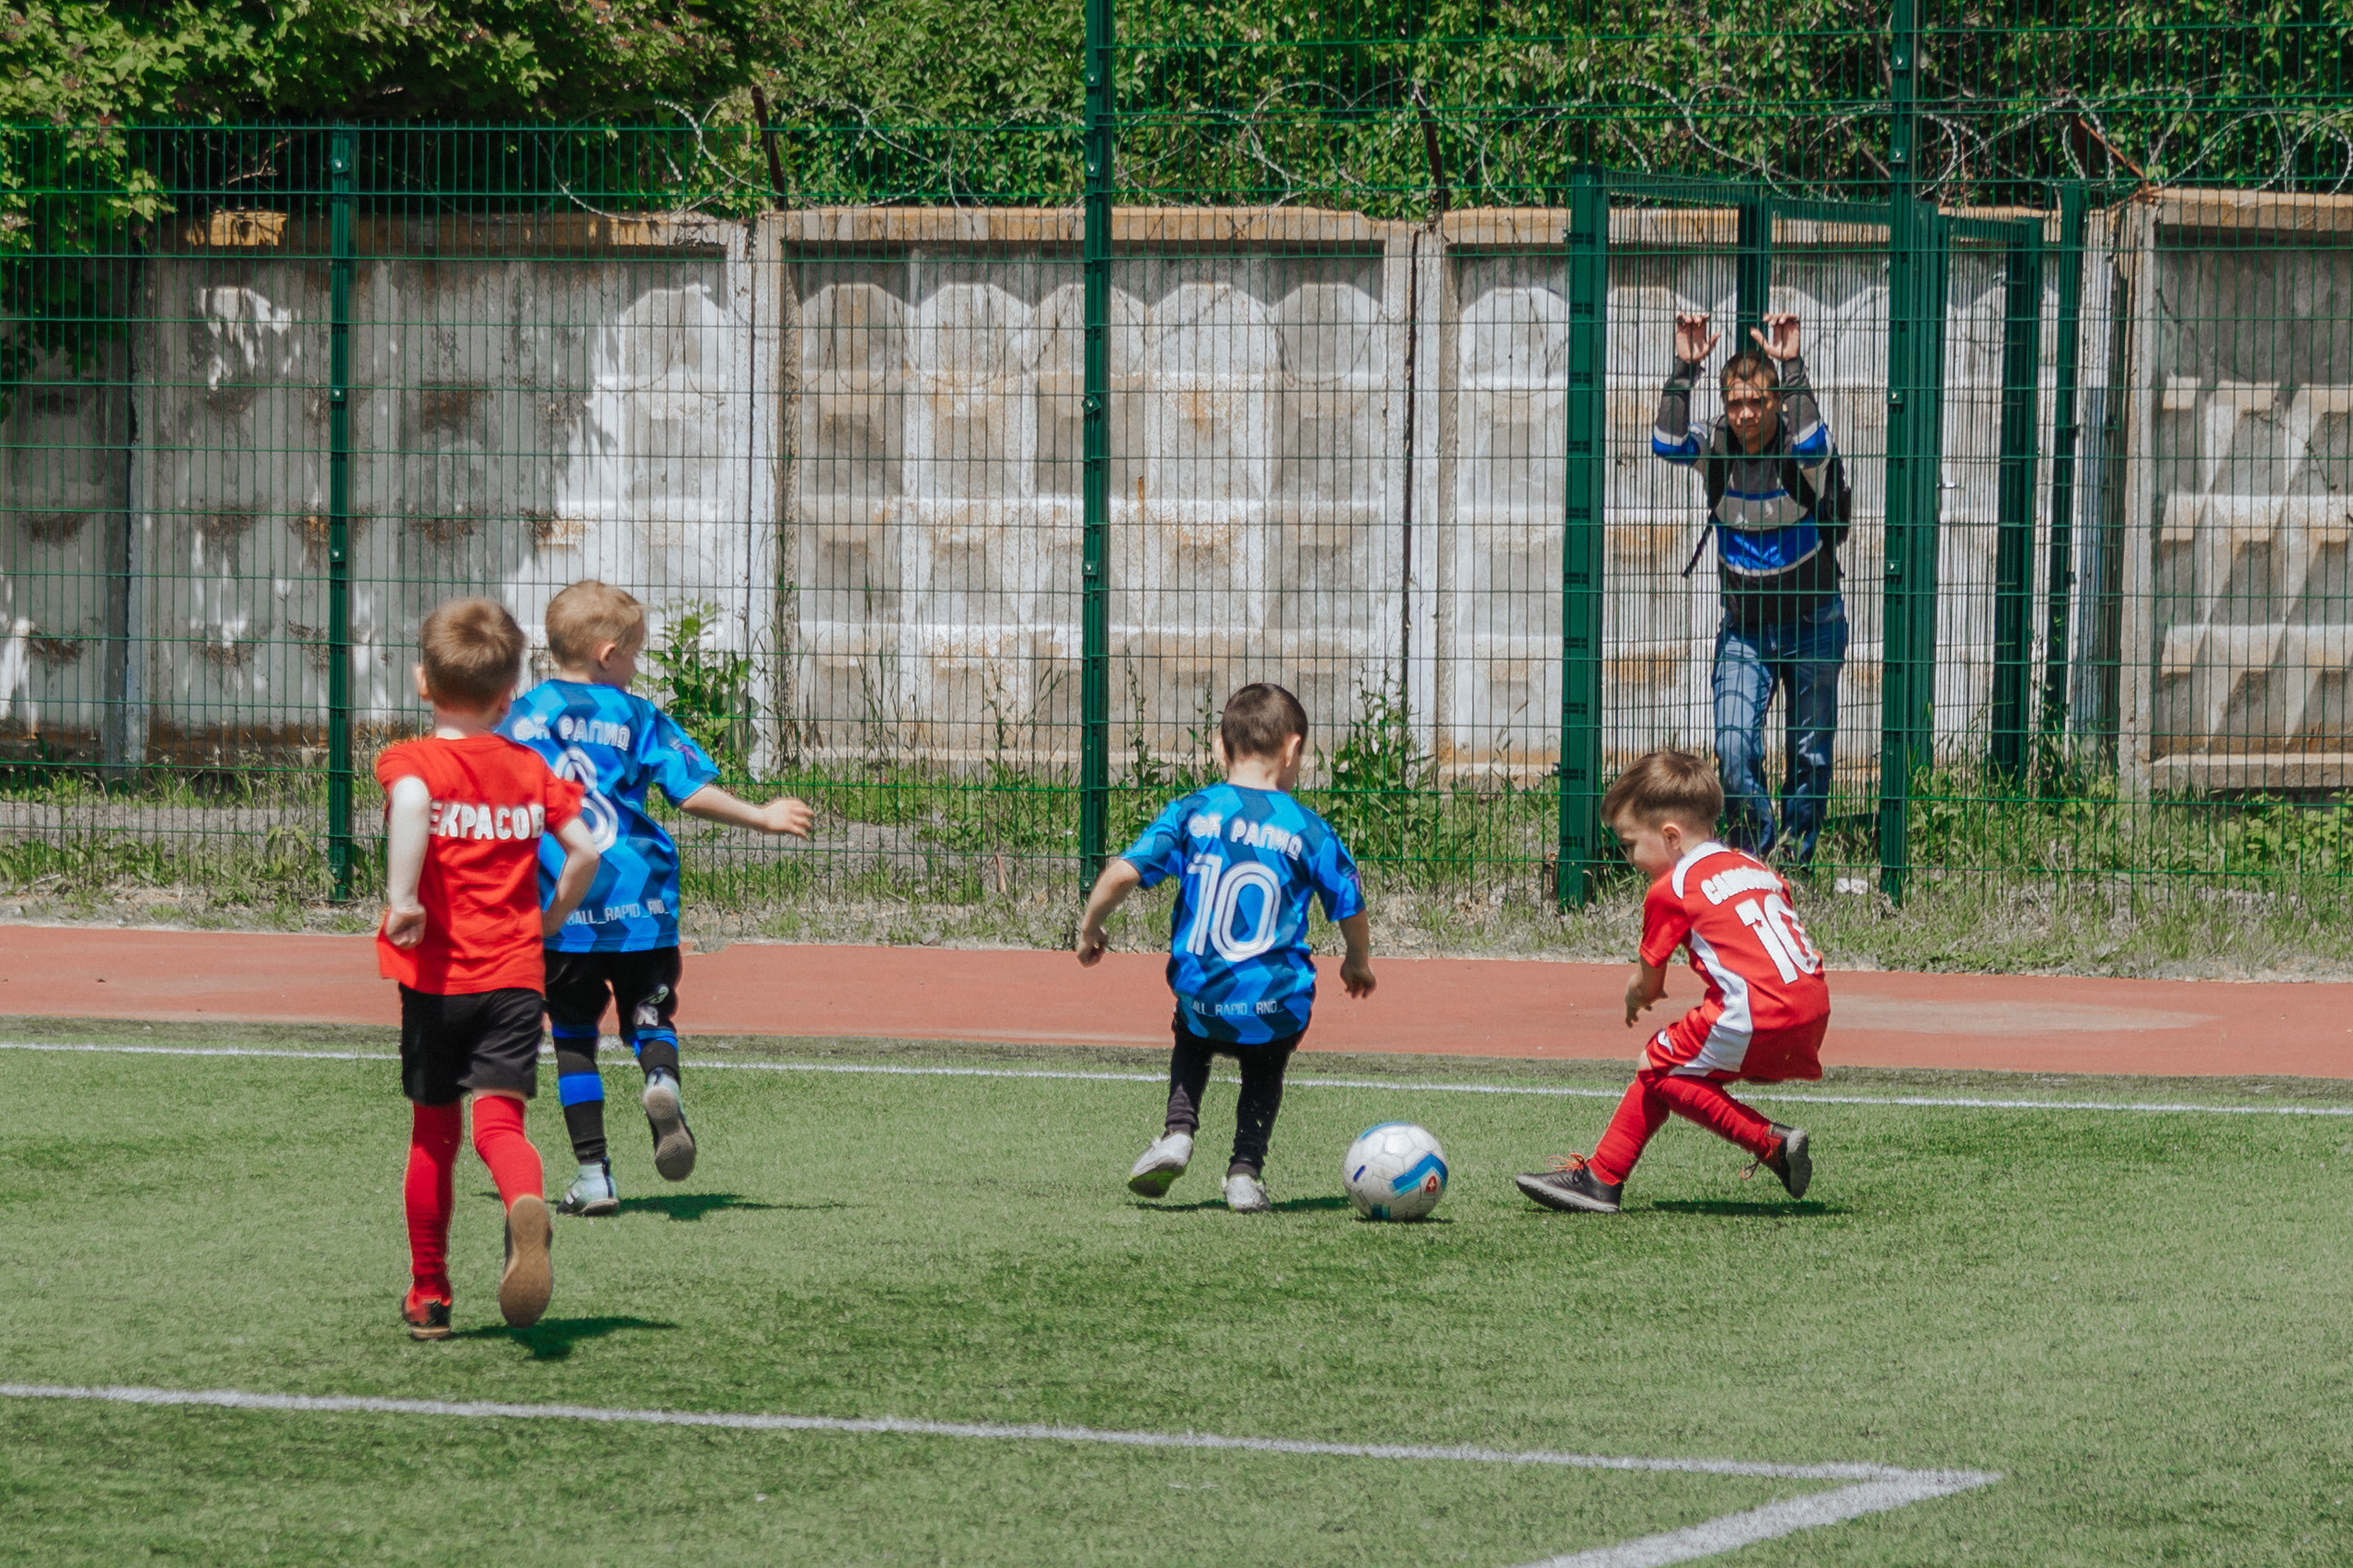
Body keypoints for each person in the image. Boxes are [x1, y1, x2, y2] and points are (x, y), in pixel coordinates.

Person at [499, 580, 813, 1217]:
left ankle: (594, 1175)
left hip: (563, 910)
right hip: (641, 905)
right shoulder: (637, 716)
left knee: (573, 1039)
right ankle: (660, 1077)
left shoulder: (523, 717)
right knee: (650, 1017)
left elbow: (487, 784)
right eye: (636, 654)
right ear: (607, 654)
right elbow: (689, 792)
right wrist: (762, 816)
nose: (637, 667)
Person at [379, 597, 601, 1341]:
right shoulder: (530, 769)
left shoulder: (412, 762)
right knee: (499, 1125)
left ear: (423, 681)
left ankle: (430, 1294)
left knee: (432, 1139)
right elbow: (585, 852)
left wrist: (403, 899)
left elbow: (413, 801)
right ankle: (522, 1201)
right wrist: (550, 919)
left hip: (438, 981)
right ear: (509, 697)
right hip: (514, 978)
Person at [1075, 682, 1375, 1213]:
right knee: (1266, 1064)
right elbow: (1350, 904)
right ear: (1293, 749)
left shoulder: (1192, 812)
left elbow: (1123, 873)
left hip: (1203, 997)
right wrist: (1357, 961)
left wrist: (1091, 927)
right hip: (1273, 1006)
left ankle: (1178, 1132)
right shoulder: (1310, 830)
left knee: (1191, 1037)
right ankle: (1244, 1171)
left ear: (1219, 747)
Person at [1515, 749, 1827, 1215]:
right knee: (1673, 1065)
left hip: (1753, 1013)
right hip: (1812, 1012)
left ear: (1670, 836)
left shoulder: (1672, 887)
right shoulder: (1756, 868)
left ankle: (1769, 1143)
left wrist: (1633, 996)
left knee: (1655, 1064)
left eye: (1629, 844)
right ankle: (1600, 1179)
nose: (1629, 858)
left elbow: (1648, 983)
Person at [1653, 310, 1846, 864]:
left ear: (1776, 401)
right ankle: (1757, 859)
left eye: (1757, 401)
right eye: (1735, 402)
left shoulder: (1800, 449)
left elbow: (1812, 443)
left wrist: (1792, 364)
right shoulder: (1717, 446)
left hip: (1814, 622)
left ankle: (1796, 863)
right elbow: (1666, 443)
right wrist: (1684, 370)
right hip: (1746, 631)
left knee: (1809, 753)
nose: (1745, 414)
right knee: (1734, 747)